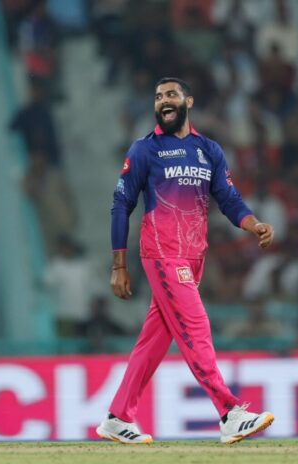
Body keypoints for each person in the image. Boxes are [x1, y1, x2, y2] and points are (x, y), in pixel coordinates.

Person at [96, 77, 275, 445]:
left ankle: (117, 417)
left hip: (194, 256)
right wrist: (119, 265)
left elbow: (228, 199)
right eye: (158, 96)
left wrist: (254, 224)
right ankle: (229, 413)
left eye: (171, 94)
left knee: (153, 342)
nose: (163, 101)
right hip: (163, 253)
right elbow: (121, 205)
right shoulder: (145, 150)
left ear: (188, 102)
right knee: (196, 327)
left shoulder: (209, 150)